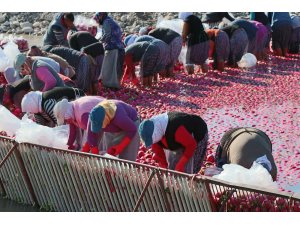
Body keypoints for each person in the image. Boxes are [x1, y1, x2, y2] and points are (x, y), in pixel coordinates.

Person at [138, 111, 208, 174]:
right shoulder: (155, 133)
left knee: (192, 167)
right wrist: (164, 169)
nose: (152, 142)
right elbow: (159, 153)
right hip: (177, 138)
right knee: (173, 163)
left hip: (197, 133)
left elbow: (191, 145)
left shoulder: (175, 128)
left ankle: (192, 184)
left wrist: (181, 164)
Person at [21, 87, 85, 127]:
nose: (30, 113)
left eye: (30, 110)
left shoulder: (47, 103)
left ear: (32, 106)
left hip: (80, 100)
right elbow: (40, 127)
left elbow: (60, 123)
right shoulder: (37, 110)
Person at [93, 12, 125, 90]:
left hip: (113, 47)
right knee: (113, 68)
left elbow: (107, 34)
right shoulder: (110, 20)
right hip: (117, 47)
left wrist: (99, 42)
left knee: (110, 68)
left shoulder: (106, 22)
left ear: (100, 17)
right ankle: (113, 85)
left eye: (97, 19)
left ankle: (111, 85)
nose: (97, 22)